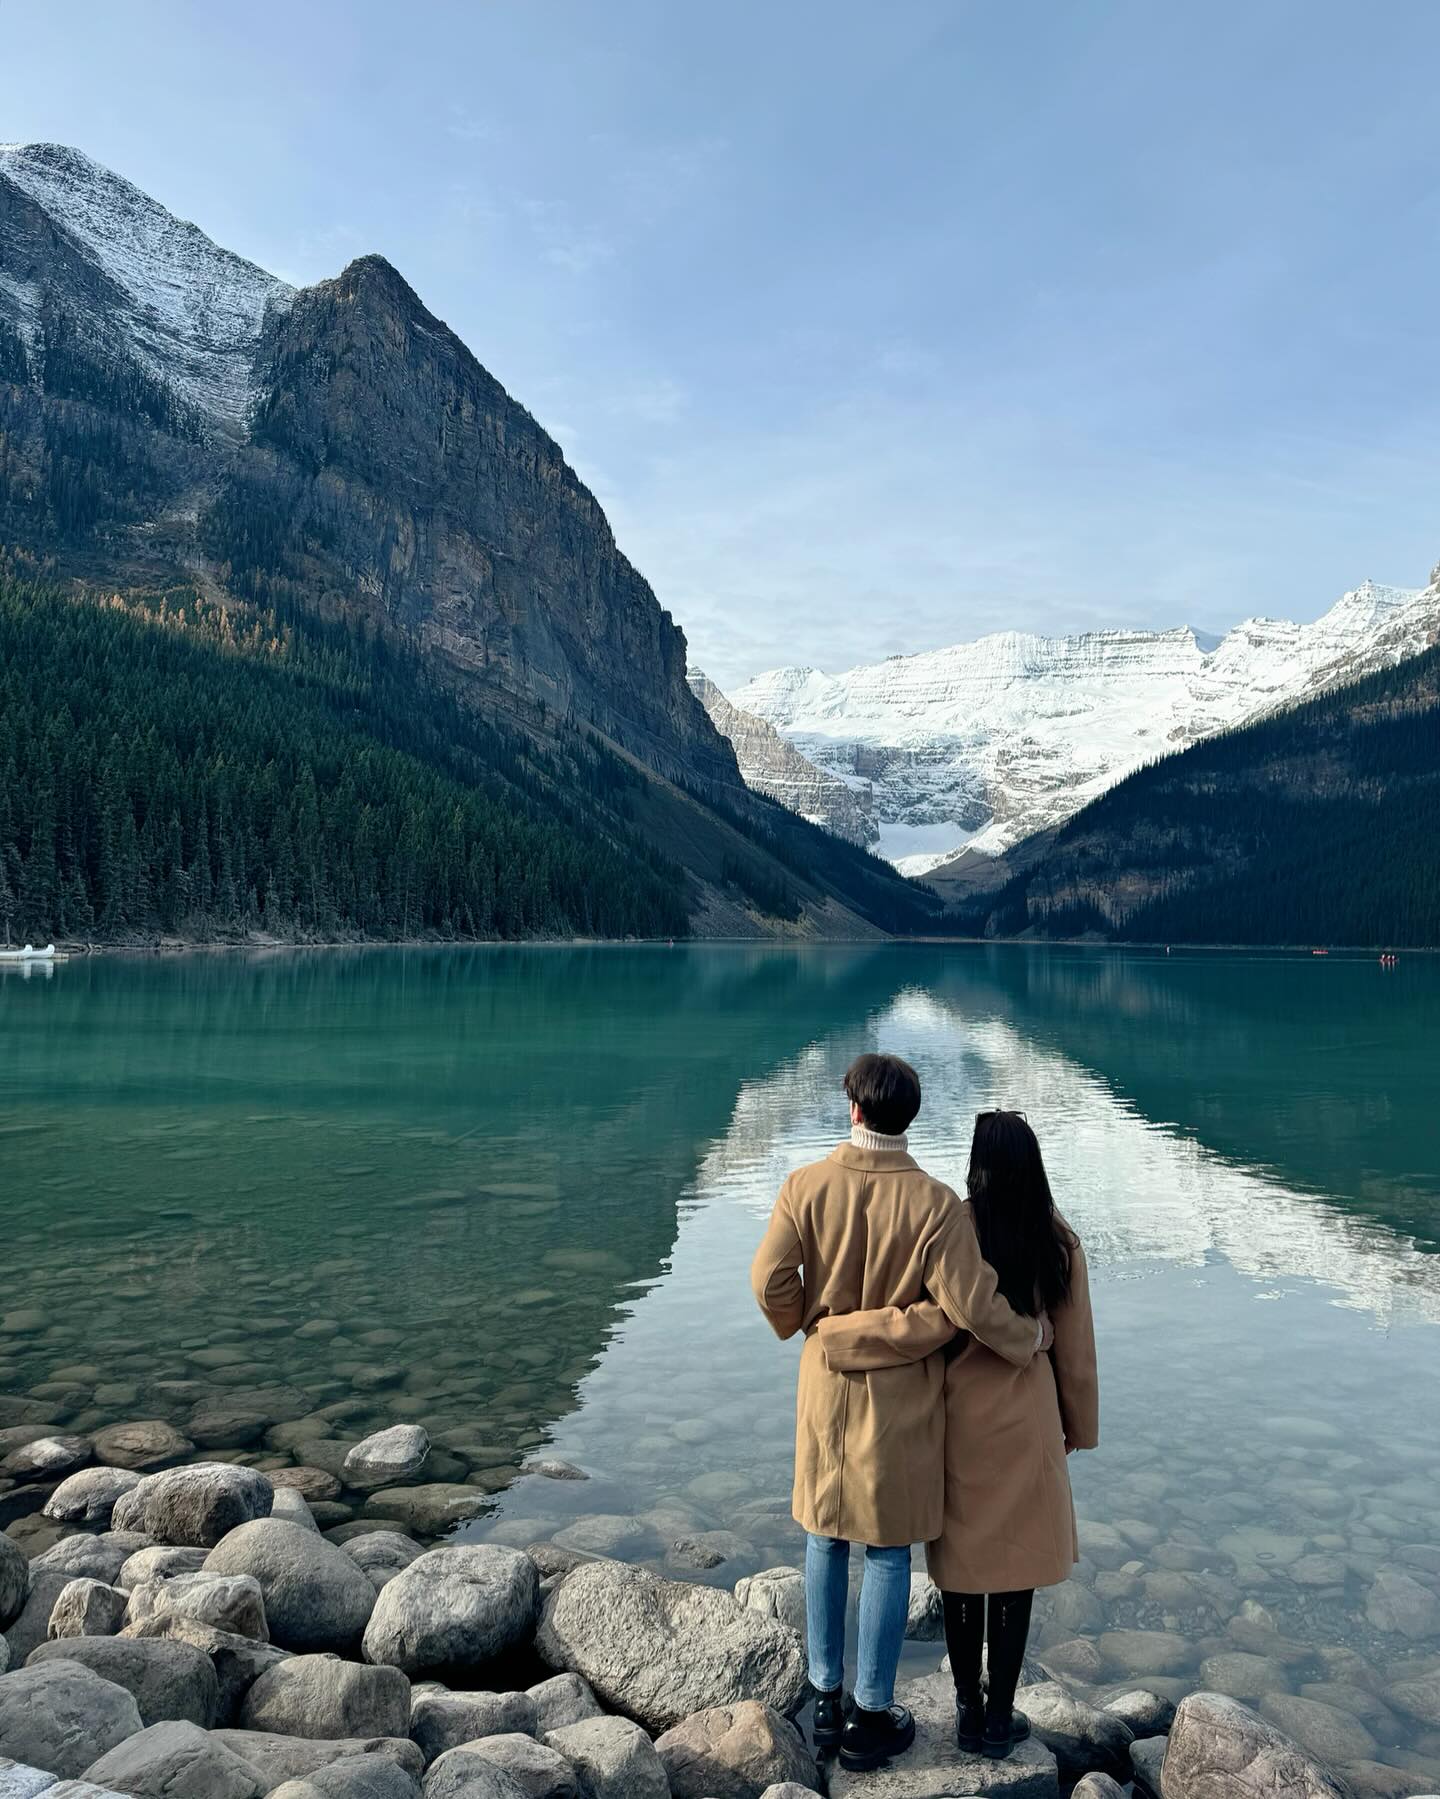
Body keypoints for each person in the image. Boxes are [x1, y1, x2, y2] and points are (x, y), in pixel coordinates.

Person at [750, 1058, 1048, 1771]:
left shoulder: (805, 1185)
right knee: (886, 1549)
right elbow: (971, 1306)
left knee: (825, 1536)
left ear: (853, 1107)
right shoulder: (937, 1204)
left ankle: (826, 1698)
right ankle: (872, 1713)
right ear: (908, 1117)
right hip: (901, 1400)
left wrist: (809, 1326)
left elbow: (767, 1280)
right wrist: (1029, 1339)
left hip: (826, 1387)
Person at [817, 1109, 1099, 1760]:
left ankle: (967, 1709)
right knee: (1016, 1573)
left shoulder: (951, 1226)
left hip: (958, 1421)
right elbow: (1076, 1352)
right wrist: (1077, 1427)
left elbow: (926, 1322)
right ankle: (1000, 1719)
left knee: (963, 1573)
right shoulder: (1058, 1240)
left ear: (978, 1164)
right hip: (1028, 1422)